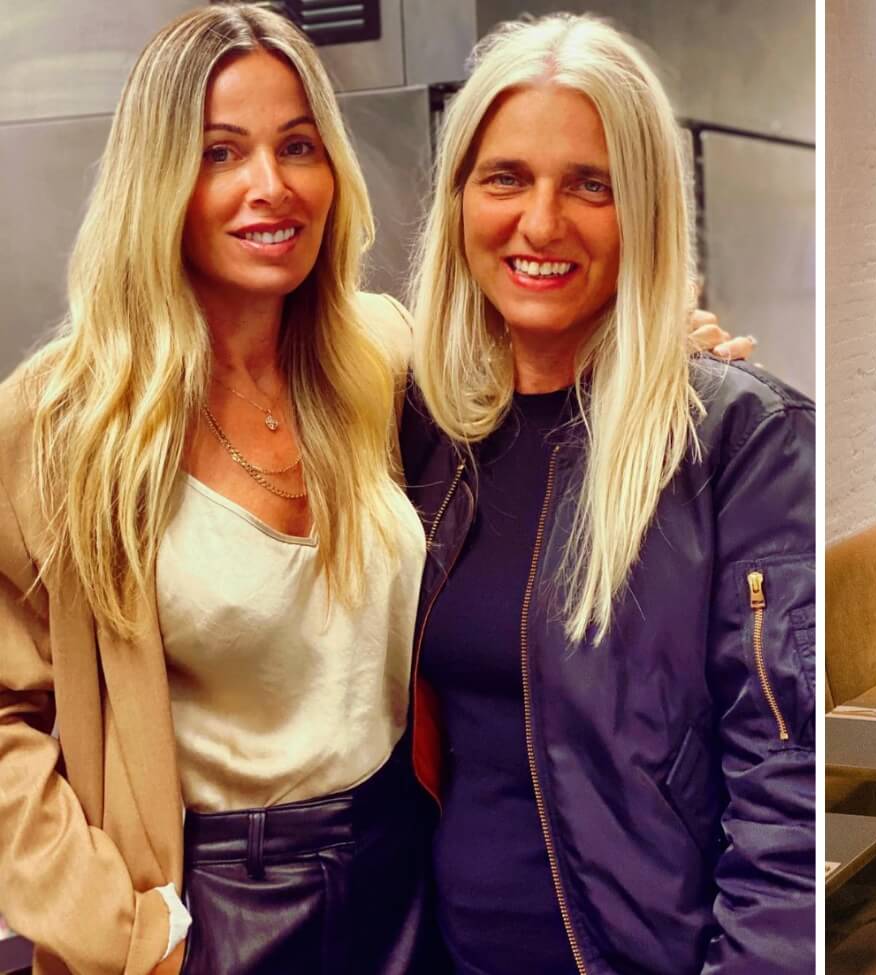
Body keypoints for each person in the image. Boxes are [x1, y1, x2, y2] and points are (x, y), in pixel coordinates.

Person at [0, 6, 754, 973]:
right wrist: (126, 933)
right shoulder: (63, 418)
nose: (269, 186)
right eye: (221, 152)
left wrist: (668, 359)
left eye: (298, 145)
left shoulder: (380, 359)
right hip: (210, 903)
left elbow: (536, 350)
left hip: (412, 868)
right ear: (158, 178)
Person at [398, 14, 814, 975]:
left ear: (648, 211)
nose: (541, 224)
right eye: (506, 178)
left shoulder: (738, 439)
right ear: (459, 199)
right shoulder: (419, 429)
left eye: (592, 185)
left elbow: (786, 793)